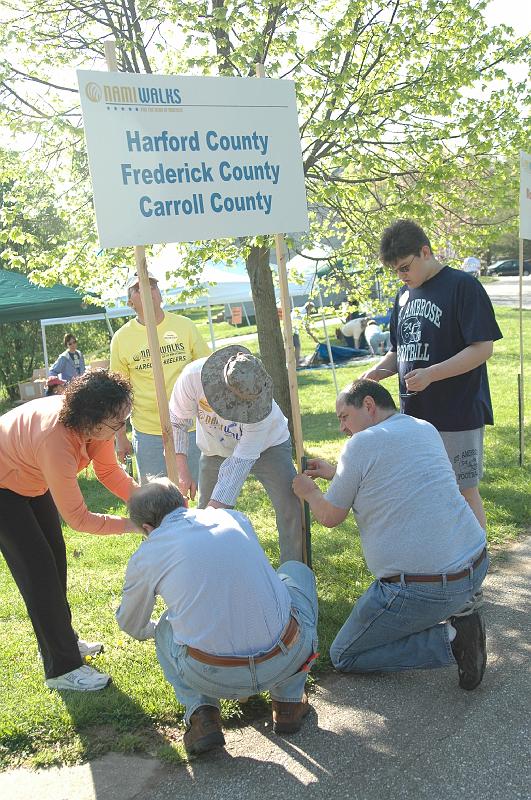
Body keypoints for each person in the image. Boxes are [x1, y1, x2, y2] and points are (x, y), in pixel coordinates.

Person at [293, 379, 488, 691]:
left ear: (369, 406)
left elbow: (330, 516)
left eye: (344, 416)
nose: (342, 427)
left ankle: (453, 641)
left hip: (423, 589)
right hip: (476, 565)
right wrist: (336, 473)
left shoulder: (361, 444)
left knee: (345, 654)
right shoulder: (423, 427)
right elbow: (394, 477)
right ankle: (457, 619)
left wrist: (310, 491)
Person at [116, 478, 318, 756]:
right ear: (184, 502)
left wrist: (162, 631)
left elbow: (131, 624)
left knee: (165, 626)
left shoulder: (147, 554)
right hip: (284, 657)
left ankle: (202, 714)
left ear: (147, 529)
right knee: (297, 572)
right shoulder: (234, 518)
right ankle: (289, 702)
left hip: (212, 675)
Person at [0, 370, 139, 691]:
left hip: (28, 479)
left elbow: (109, 473)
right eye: (119, 422)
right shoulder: (56, 439)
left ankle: (63, 640)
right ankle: (62, 668)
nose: (123, 428)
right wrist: (133, 525)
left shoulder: (95, 428)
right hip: (3, 487)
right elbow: (78, 518)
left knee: (55, 559)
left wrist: (151, 504)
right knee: (39, 571)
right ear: (92, 419)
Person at [362, 219, 502, 528]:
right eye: (395, 270)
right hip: (414, 416)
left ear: (425, 251)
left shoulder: (462, 286)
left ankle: (477, 562)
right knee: (425, 490)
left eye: (404, 267)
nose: (401, 276)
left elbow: (482, 348)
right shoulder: (402, 296)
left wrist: (432, 374)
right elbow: (399, 351)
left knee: (463, 491)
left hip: (457, 411)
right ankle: (443, 560)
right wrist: (377, 371)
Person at [169, 345, 303, 563]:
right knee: (204, 512)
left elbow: (238, 466)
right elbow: (177, 421)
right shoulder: (192, 377)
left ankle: (294, 570)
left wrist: (214, 512)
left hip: (269, 446)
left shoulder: (263, 415)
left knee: (289, 506)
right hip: (214, 450)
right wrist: (182, 468)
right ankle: (207, 568)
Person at [110, 272, 210, 484]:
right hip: (149, 433)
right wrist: (120, 437)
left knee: (202, 496)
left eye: (152, 286)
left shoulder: (185, 326)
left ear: (161, 294)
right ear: (130, 302)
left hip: (190, 428)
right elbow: (117, 394)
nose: (148, 291)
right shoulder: (122, 338)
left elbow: (208, 372)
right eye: (139, 288)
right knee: (156, 502)